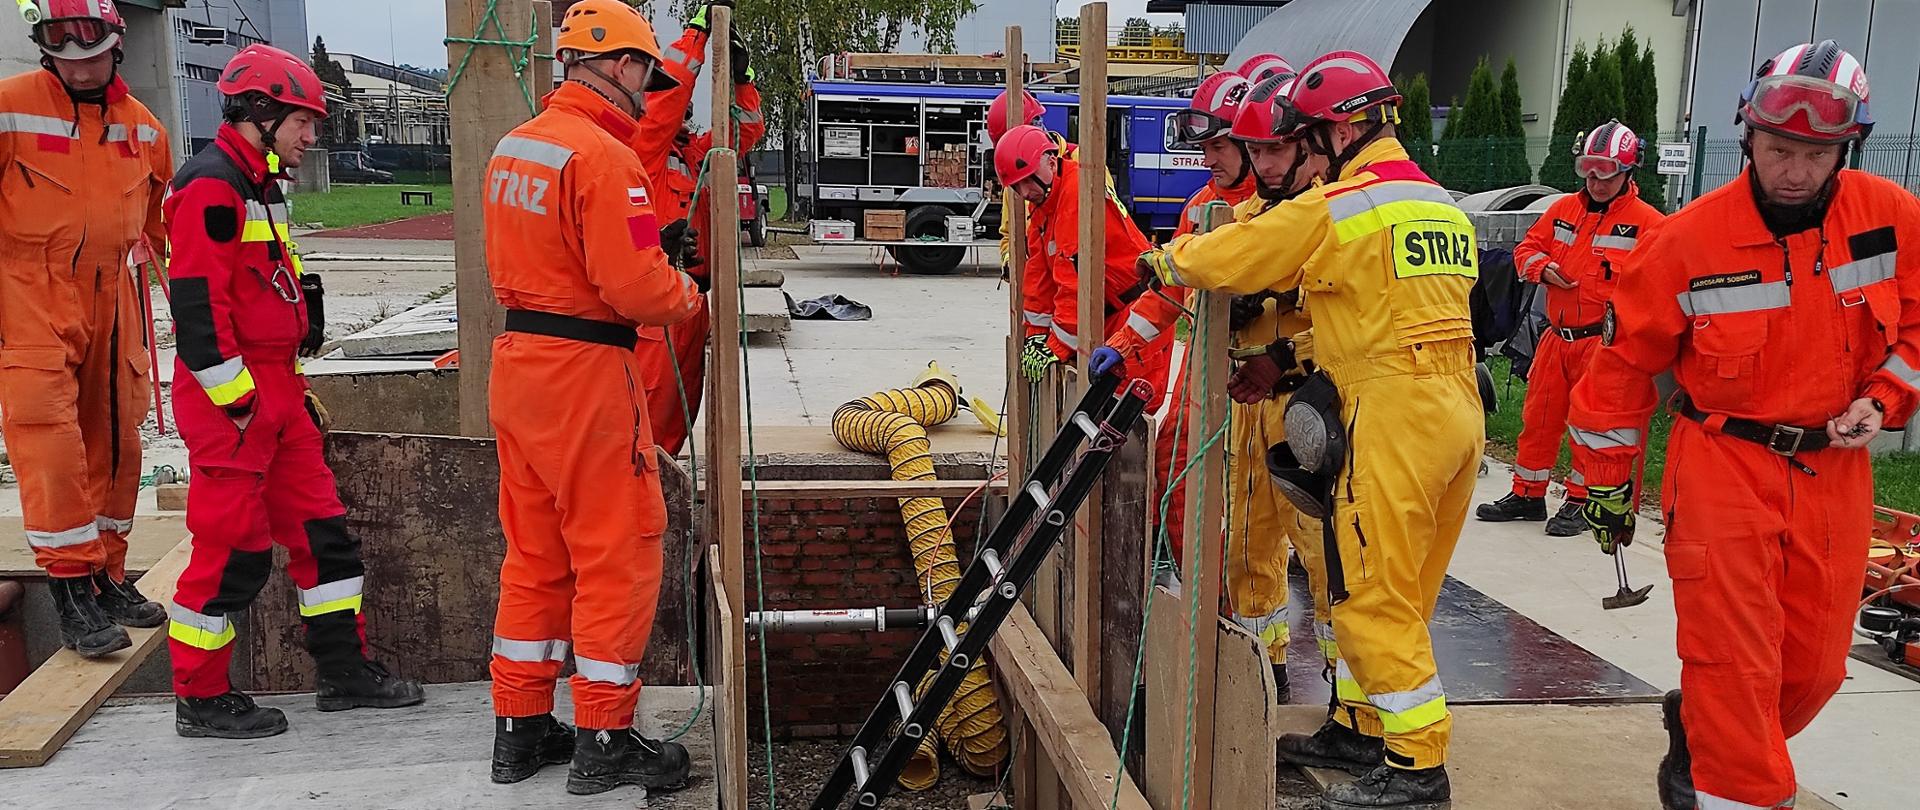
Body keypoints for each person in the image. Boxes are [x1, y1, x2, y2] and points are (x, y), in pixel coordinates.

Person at [1569, 41, 1919, 810]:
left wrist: (1884, 396)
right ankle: (1733, 783)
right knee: (1733, 667)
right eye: (1778, 149)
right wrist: (1606, 487)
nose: (1794, 170)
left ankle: (1703, 735)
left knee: (1813, 671)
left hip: (1834, 472)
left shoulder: (1891, 218)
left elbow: (1918, 324)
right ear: (1748, 136)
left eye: (1815, 154)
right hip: (1723, 464)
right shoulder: (1687, 242)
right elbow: (1620, 371)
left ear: (1847, 148)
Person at [1142, 51, 1481, 809]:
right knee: (1404, 587)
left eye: (1308, 137)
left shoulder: (1343, 204)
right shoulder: (1438, 205)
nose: (1304, 153)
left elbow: (1244, 251)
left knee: (1368, 592)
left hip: (1390, 414)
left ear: (1342, 131)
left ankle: (1417, 767)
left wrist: (1166, 260)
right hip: (1456, 407)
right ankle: (1360, 727)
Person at [165, 44, 424, 739]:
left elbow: (266, 289)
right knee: (232, 553)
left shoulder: (258, 183)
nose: (312, 135)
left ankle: (343, 672)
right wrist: (242, 403)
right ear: (260, 113)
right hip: (235, 406)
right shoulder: (212, 185)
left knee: (325, 539)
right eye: (303, 121)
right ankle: (199, 696)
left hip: (275, 394)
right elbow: (199, 313)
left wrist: (286, 388)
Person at [481, 0, 704, 796]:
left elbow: (558, 256)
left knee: (535, 555)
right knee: (619, 550)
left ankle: (520, 727)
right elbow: (639, 290)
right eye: (646, 74)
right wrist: (687, 290)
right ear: (621, 65)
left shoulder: (517, 146)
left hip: (520, 369)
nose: (648, 92)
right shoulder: (606, 158)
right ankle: (604, 740)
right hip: (585, 376)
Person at [1093, 66, 1322, 698]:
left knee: (1317, 544)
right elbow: (1173, 286)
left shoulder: (1310, 206)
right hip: (1229, 388)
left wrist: (1277, 342)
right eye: (1208, 146)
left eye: (1222, 145)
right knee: (1245, 539)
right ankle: (1258, 668)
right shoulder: (1210, 208)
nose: (1210, 158)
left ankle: (1349, 701)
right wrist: (1124, 343)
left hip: (1304, 396)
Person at [0, 0, 169, 658]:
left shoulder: (144, 129)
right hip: (28, 292)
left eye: (90, 49)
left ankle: (107, 576)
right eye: (61, 47)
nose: (78, 64)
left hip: (112, 293)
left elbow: (160, 226)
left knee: (117, 438)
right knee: (50, 442)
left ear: (116, 44)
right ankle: (70, 589)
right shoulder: (10, 108)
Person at [1476, 120, 1664, 536]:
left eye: (1606, 171)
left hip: (1603, 344)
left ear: (1628, 170)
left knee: (1590, 425)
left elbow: (1659, 287)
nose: (1595, 181)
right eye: (1587, 170)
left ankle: (1580, 500)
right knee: (1538, 419)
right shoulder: (1563, 210)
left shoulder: (1649, 224)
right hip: (1555, 338)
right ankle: (1527, 493)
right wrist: (1542, 269)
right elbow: (1527, 248)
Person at [630, 1, 767, 456]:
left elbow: (746, 132)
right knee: (648, 420)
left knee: (679, 414)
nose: (683, 103)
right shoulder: (644, 145)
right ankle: (645, 489)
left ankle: (666, 487)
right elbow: (663, 102)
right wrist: (698, 33)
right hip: (657, 309)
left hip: (692, 303)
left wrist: (742, 80)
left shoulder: (693, 153)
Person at [997, 124, 1163, 392]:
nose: (1024, 192)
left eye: (1027, 180)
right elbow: (1038, 275)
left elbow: (1075, 283)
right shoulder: (1045, 204)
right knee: (1099, 405)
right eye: (1016, 186)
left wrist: (1055, 346)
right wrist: (1036, 336)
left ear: (1051, 163)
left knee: (1125, 407)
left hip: (1133, 312)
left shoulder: (1077, 193)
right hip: (1107, 313)